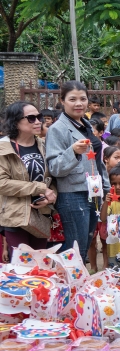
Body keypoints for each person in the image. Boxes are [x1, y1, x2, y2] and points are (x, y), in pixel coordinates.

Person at [46, 81, 109, 262]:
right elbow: (55, 168)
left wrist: (105, 186)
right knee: (75, 251)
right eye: (72, 99)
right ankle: (67, 287)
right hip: (73, 194)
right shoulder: (57, 129)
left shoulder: (86, 125)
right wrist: (72, 151)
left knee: (85, 244)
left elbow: (97, 159)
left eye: (83, 99)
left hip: (93, 192)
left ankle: (75, 286)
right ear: (62, 101)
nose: (78, 103)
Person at [0, 102, 57, 253]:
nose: (38, 121)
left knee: (39, 266)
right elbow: (2, 183)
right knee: (22, 268)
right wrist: (40, 188)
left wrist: (51, 196)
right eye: (31, 118)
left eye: (38, 117)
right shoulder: (3, 148)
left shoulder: (43, 145)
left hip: (41, 215)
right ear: (16, 122)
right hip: (15, 216)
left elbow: (51, 179)